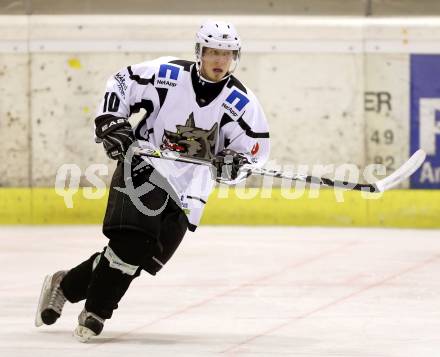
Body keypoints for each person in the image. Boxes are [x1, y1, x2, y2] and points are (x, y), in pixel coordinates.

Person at [35, 20, 270, 342]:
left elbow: (254, 151)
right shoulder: (168, 74)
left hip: (190, 186)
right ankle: (97, 312)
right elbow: (121, 82)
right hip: (145, 162)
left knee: (145, 256)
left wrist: (235, 165)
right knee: (134, 240)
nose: (219, 60)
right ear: (200, 52)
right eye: (213, 52)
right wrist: (111, 121)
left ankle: (65, 285)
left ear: (235, 57)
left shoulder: (242, 102)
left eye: (226, 54)